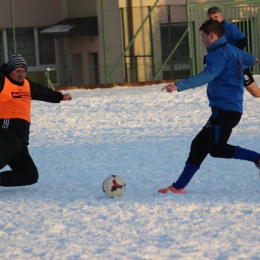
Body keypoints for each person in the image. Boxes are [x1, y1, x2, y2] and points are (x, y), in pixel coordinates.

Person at [158, 19, 260, 194]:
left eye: (203, 36)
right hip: (226, 110)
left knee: (217, 148)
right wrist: (253, 60)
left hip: (226, 110)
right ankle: (178, 186)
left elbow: (208, 75)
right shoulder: (232, 50)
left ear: (211, 35)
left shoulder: (219, 54)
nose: (203, 40)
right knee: (199, 144)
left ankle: (257, 158)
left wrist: (179, 85)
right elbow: (249, 58)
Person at [0, 54, 72, 187]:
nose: (21, 75)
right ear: (9, 71)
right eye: (17, 71)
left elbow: (43, 92)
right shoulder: (3, 82)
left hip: (20, 137)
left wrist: (60, 97)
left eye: (23, 71)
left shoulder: (27, 85)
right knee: (12, 144)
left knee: (30, 175)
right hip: (4, 130)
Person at [207, 6, 260, 97]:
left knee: (256, 93)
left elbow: (243, 40)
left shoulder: (229, 27)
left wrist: (232, 53)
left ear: (221, 17)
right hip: (223, 67)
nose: (214, 20)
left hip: (239, 66)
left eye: (216, 17)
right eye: (211, 18)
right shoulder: (210, 32)